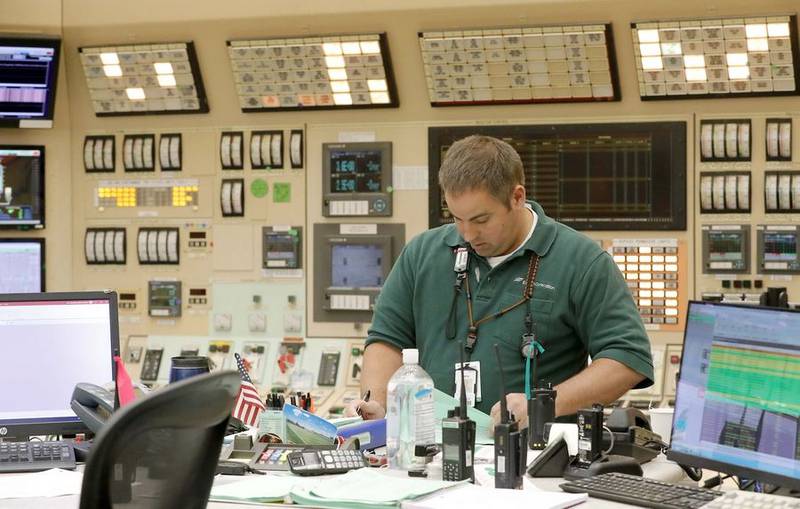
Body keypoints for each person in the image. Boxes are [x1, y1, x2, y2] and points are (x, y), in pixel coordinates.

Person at [350, 135, 654, 428]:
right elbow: (387, 340)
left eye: (481, 220)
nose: (467, 234)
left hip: (534, 462)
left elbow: (625, 360)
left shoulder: (581, 261)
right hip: (430, 456)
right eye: (457, 218)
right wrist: (379, 405)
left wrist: (541, 405)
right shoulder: (423, 253)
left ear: (517, 197)